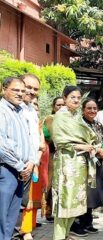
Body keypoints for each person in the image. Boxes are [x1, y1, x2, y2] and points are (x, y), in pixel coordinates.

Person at [52, 86, 98, 240]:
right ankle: (59, 236)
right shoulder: (60, 116)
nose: (77, 100)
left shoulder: (77, 117)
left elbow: (89, 137)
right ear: (64, 98)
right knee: (64, 201)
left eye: (79, 97)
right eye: (73, 97)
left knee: (75, 201)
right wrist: (82, 146)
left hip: (80, 164)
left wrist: (91, 146)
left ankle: (65, 234)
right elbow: (60, 141)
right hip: (66, 163)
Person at [0, 77, 35, 240]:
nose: (20, 94)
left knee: (11, 218)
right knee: (2, 216)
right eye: (16, 90)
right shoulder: (2, 110)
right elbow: (2, 146)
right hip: (6, 170)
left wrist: (30, 161)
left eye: (23, 91)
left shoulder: (20, 111)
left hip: (21, 171)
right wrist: (21, 166)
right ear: (4, 89)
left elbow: (27, 140)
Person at [70, 99, 103, 236]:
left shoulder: (98, 124)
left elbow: (102, 141)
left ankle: (87, 222)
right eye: (89, 108)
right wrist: (97, 150)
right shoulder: (79, 124)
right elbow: (77, 144)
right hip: (82, 163)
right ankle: (77, 224)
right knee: (82, 194)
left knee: (92, 194)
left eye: (94, 108)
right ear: (83, 109)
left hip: (96, 163)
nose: (92, 111)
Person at [19, 74, 42, 240]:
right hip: (16, 163)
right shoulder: (13, 108)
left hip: (31, 163)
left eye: (36, 89)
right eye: (29, 87)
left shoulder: (31, 110)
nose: (32, 91)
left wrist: (35, 159)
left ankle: (21, 231)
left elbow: (34, 137)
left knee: (23, 201)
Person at [42, 97, 64, 222]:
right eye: (58, 105)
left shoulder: (69, 118)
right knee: (51, 181)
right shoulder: (50, 118)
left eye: (62, 105)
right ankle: (49, 210)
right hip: (53, 154)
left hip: (66, 155)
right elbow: (49, 135)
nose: (60, 107)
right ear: (53, 106)